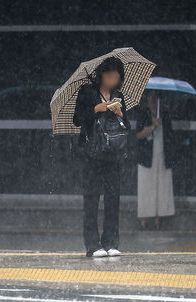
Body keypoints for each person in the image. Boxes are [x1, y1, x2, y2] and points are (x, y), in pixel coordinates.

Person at [72, 57, 130, 258]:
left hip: (113, 154)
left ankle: (111, 241)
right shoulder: (88, 92)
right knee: (91, 198)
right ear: (101, 75)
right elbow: (77, 119)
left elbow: (126, 126)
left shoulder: (118, 95)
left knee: (113, 199)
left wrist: (120, 113)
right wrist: (97, 109)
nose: (113, 79)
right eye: (110, 75)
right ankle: (93, 244)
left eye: (117, 76)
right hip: (92, 154)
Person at [135, 91, 175, 229]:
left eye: (156, 98)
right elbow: (138, 135)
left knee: (162, 187)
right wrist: (152, 126)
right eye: (151, 98)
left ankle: (160, 217)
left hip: (162, 156)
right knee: (146, 187)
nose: (153, 101)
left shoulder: (165, 114)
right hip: (146, 157)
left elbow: (170, 136)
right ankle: (145, 217)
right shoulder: (143, 114)